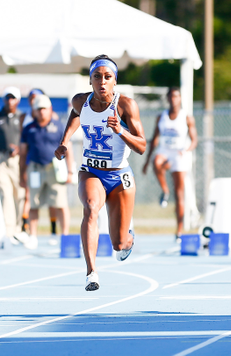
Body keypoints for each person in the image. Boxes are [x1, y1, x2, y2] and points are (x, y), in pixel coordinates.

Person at [55, 54, 146, 291]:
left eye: (107, 77)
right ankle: (91, 273)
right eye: (97, 77)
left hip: (119, 175)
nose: (102, 82)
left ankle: (128, 237)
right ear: (90, 80)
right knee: (91, 208)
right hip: (91, 170)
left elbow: (142, 146)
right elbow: (76, 114)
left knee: (118, 243)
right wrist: (65, 140)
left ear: (115, 81)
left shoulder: (126, 105)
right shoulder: (80, 101)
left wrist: (121, 131)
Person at [142, 87, 197, 242]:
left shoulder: (186, 117)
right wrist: (146, 161)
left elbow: (194, 140)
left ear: (180, 98)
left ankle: (179, 230)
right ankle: (164, 190)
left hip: (179, 153)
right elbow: (155, 139)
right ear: (167, 99)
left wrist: (186, 150)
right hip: (165, 151)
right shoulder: (162, 117)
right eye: (171, 96)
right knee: (156, 162)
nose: (174, 99)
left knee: (179, 194)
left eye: (176, 96)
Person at [19, 94, 74, 248]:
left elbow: (68, 150)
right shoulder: (29, 129)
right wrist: (21, 173)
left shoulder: (59, 126)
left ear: (50, 109)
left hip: (54, 169)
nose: (42, 112)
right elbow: (23, 153)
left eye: (44, 108)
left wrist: (70, 171)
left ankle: (65, 236)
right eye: (38, 109)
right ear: (34, 111)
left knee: (60, 203)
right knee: (34, 203)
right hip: (35, 169)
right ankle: (33, 236)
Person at [0, 87, 26, 245]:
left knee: (19, 194)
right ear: (3, 100)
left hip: (17, 160)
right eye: (7, 98)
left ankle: (18, 229)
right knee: (5, 194)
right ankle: (8, 231)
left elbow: (27, 139)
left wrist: (19, 149)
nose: (10, 101)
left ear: (18, 100)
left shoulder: (23, 117)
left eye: (13, 98)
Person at [20, 88, 60, 241]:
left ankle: (54, 229)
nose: (33, 100)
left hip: (50, 166)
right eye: (31, 98)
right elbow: (22, 139)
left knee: (54, 200)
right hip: (33, 163)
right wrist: (22, 168)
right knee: (31, 198)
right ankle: (28, 228)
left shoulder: (52, 117)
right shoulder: (26, 118)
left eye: (36, 97)